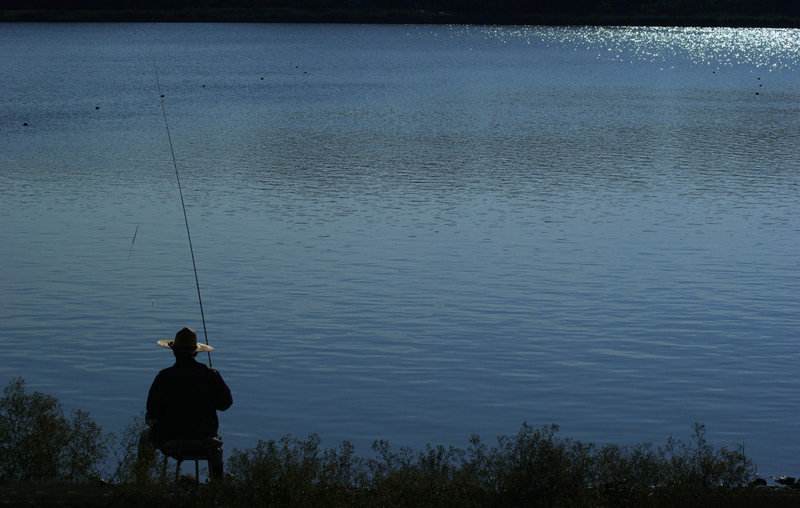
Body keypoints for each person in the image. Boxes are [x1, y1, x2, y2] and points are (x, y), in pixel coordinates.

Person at [143, 326, 233, 478]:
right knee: (217, 445)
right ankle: (218, 483)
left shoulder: (164, 377)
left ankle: (142, 481)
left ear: (174, 351)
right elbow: (226, 403)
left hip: (170, 440)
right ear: (196, 352)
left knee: (145, 438)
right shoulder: (210, 374)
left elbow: (152, 413)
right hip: (205, 439)